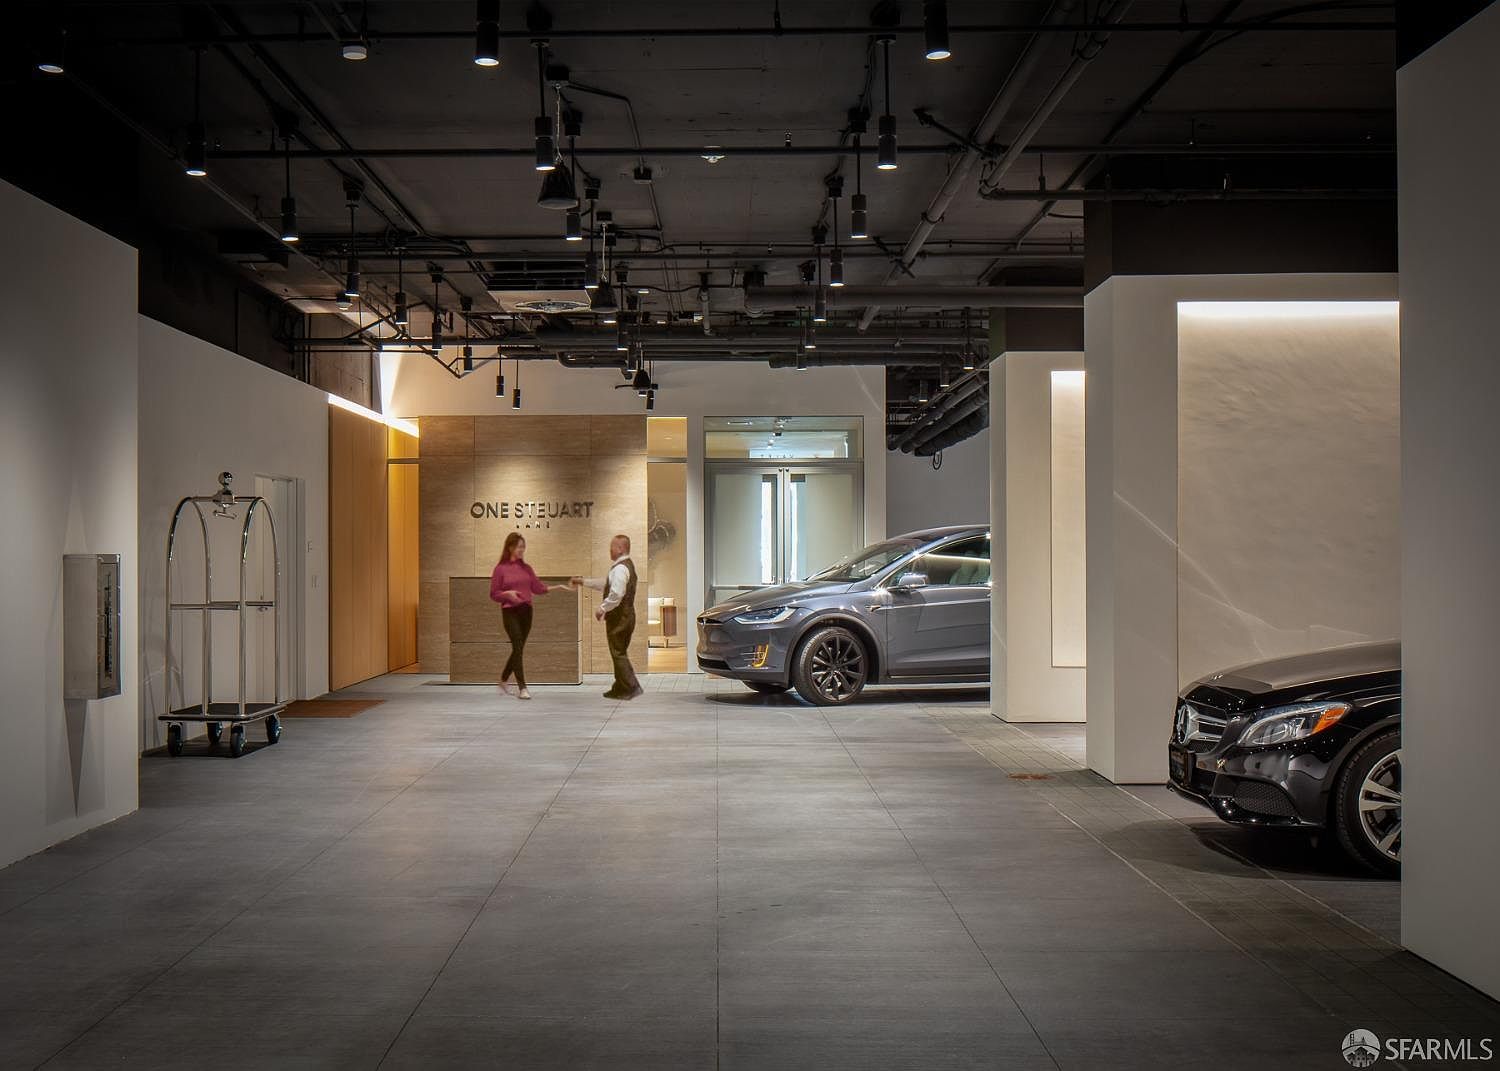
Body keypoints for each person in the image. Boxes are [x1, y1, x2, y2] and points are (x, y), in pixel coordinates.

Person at [570, 533, 642, 700]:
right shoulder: (622, 567)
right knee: (618, 651)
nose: (609, 550)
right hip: (626, 616)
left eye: (612, 546)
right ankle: (620, 688)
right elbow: (606, 584)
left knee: (617, 652)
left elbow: (616, 593)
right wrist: (583, 582)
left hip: (620, 618)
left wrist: (602, 608)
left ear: (620, 548)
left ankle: (631, 687)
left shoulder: (620, 568)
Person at [489, 532, 552, 700]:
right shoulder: (500, 569)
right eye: (519, 547)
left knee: (519, 648)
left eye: (523, 547)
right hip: (510, 612)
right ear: (510, 547)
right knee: (517, 646)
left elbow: (537, 588)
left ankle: (503, 679)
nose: (522, 550)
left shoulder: (526, 568)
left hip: (526, 611)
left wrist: (556, 587)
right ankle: (522, 687)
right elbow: (494, 594)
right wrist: (507, 594)